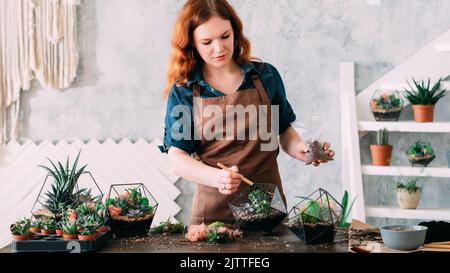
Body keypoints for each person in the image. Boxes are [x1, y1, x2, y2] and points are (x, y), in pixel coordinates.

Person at [160, 0, 334, 225]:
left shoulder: (265, 77)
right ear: (192, 43)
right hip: (214, 217)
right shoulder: (185, 90)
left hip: (268, 211)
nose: (219, 48)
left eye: (225, 36)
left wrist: (301, 148)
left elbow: (283, 130)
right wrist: (217, 178)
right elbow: (177, 158)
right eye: (207, 42)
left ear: (235, 31)